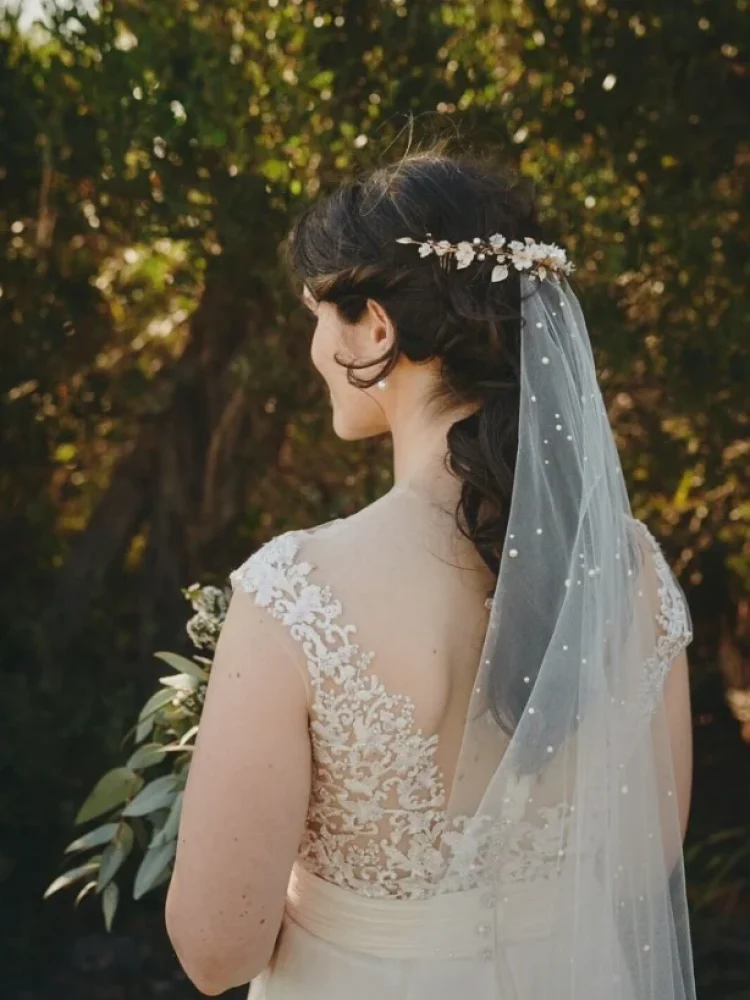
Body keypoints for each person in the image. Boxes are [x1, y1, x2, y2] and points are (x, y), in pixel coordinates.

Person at [164, 152, 695, 999]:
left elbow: (216, 951)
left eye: (318, 316)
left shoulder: (296, 594)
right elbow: (640, 869)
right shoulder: (631, 572)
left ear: (376, 328)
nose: (312, 348)